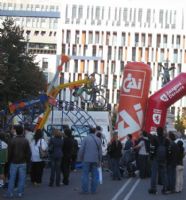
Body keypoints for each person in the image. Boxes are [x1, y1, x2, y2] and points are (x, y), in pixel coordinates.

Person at [4, 125, 31, 198]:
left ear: (16, 131)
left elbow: (9, 152)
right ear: (22, 131)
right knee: (22, 178)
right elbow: (28, 153)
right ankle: (20, 192)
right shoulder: (25, 140)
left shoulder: (12, 140)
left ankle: (10, 193)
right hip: (23, 162)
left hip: (13, 162)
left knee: (12, 178)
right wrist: (27, 160)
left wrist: (8, 160)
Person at [78, 127, 102, 194]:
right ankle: (93, 190)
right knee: (94, 175)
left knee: (85, 175)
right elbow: (100, 152)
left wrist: (80, 158)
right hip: (95, 159)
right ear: (95, 132)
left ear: (89, 131)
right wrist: (100, 160)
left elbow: (81, 149)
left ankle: (85, 190)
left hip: (86, 159)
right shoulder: (98, 139)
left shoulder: (85, 138)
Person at [148, 127, 169, 195]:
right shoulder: (166, 140)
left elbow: (152, 149)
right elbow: (169, 150)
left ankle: (153, 189)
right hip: (163, 159)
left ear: (157, 132)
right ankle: (165, 189)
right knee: (164, 174)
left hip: (155, 158)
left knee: (154, 174)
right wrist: (166, 158)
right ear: (162, 132)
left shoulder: (154, 139)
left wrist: (151, 157)